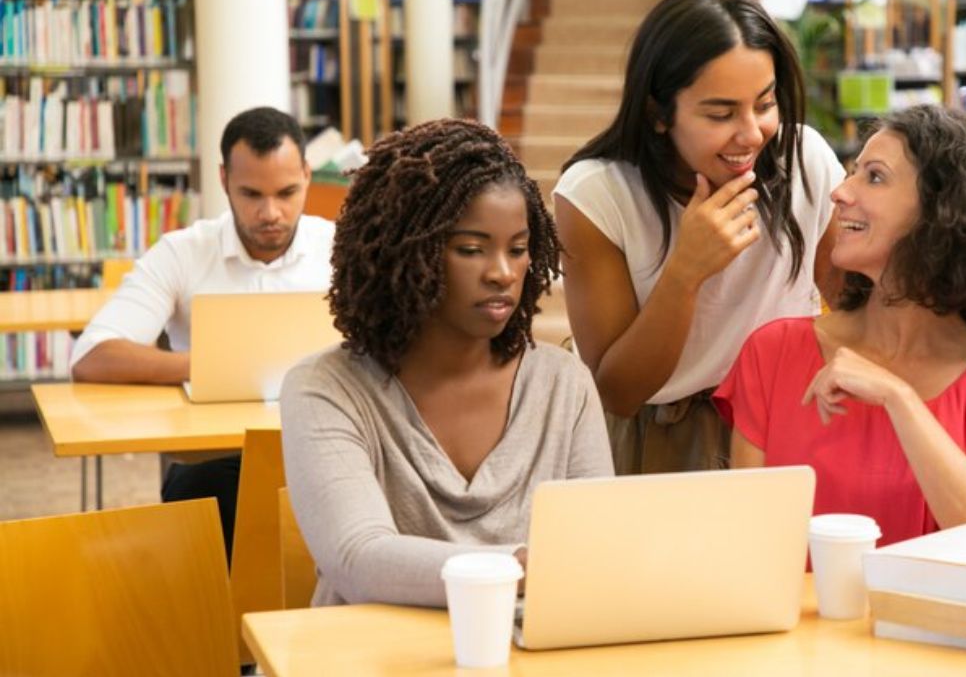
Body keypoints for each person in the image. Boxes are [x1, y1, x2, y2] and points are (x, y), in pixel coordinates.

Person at [714, 105, 966, 546]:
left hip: (940, 618)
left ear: (944, 213)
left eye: (873, 177)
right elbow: (748, 541)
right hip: (800, 617)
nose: (839, 193)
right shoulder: (774, 354)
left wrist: (899, 399)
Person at [280, 119, 613, 608]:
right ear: (407, 249)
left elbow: (597, 549)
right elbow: (359, 559)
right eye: (471, 250)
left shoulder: (565, 385)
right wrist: (522, 566)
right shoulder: (324, 388)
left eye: (518, 250)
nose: (502, 272)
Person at [554, 0, 844, 475]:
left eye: (765, 104)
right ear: (658, 114)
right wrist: (686, 270)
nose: (751, 133)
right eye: (720, 113)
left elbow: (855, 308)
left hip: (787, 423)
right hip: (658, 435)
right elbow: (620, 392)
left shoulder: (804, 158)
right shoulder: (596, 195)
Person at [71, 106, 333, 560]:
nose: (270, 212)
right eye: (251, 193)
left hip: (326, 447)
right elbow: (92, 356)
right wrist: (217, 366)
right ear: (223, 179)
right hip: (217, 459)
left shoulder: (340, 250)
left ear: (308, 176)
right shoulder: (183, 253)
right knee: (205, 497)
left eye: (287, 192)